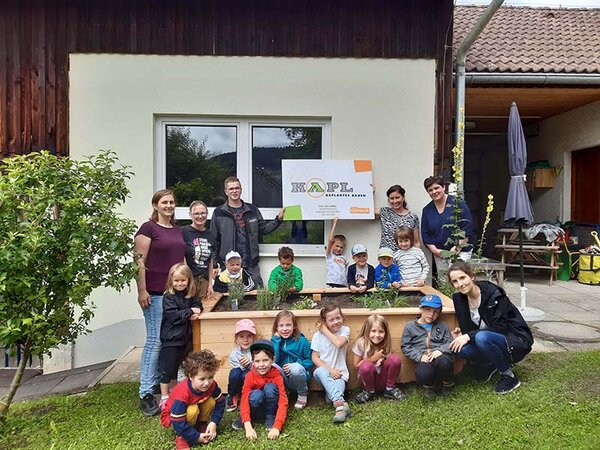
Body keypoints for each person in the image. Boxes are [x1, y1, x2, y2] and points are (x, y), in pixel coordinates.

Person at [134, 189, 186, 416]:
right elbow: (139, 261)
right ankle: (146, 393)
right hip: (154, 293)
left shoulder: (176, 230)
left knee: (168, 341)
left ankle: (157, 383)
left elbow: (181, 261)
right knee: (155, 341)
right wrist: (142, 290)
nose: (169, 205)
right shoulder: (148, 228)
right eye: (164, 202)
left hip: (173, 294)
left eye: (172, 202)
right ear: (155, 205)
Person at [448, 262, 534, 394]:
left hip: (515, 339)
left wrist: (469, 336)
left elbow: (500, 328)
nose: (460, 284)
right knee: (459, 347)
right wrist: (462, 334)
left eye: (462, 278)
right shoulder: (459, 299)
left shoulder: (494, 295)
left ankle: (509, 376)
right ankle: (489, 365)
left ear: (472, 276)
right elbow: (468, 328)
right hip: (488, 339)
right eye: (455, 281)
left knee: (481, 337)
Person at [211, 176, 284, 286]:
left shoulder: (252, 210)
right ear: (226, 191)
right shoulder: (219, 212)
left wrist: (278, 220)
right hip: (229, 264)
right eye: (231, 189)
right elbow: (214, 240)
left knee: (256, 294)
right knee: (230, 298)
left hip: (250, 262)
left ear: (241, 189)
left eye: (237, 188)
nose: (234, 191)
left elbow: (264, 229)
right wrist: (214, 265)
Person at [160, 350, 225, 450]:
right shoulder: (182, 393)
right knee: (192, 410)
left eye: (210, 377)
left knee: (211, 401)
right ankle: (181, 437)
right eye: (202, 379)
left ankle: (202, 425)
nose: (207, 383)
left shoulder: (212, 385)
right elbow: (177, 420)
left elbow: (221, 402)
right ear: (191, 376)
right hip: (173, 416)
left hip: (194, 406)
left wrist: (214, 423)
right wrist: (196, 437)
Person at [158, 264, 202, 410]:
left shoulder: (189, 295)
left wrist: (197, 311)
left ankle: (174, 392)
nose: (180, 283)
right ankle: (164, 397)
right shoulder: (168, 298)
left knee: (178, 367)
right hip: (171, 339)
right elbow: (173, 317)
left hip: (184, 338)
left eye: (183, 280)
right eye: (176, 281)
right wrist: (190, 312)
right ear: (171, 281)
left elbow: (198, 305)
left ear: (188, 281)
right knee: (168, 368)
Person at [232, 339, 288, 441]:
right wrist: (247, 425)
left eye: (265, 360)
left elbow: (283, 401)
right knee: (255, 395)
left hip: (270, 405)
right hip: (256, 404)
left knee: (270, 388)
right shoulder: (249, 376)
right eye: (257, 361)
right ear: (253, 362)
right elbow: (244, 399)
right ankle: (249, 417)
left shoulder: (277, 376)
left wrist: (277, 427)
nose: (261, 365)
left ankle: (270, 416)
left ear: (273, 359)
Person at [401, 295, 454, 399]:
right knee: (423, 373)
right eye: (428, 310)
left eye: (435, 311)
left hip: (439, 356)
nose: (431, 314)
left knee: (444, 362)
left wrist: (440, 350)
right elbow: (406, 346)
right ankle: (429, 387)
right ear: (421, 309)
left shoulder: (442, 325)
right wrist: (419, 357)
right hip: (424, 358)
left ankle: (447, 384)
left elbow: (449, 342)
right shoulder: (410, 326)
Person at [421, 175, 474, 273]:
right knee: (444, 282)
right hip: (440, 253)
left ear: (444, 187)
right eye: (430, 190)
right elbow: (426, 234)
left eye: (436, 188)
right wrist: (436, 251)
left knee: (457, 277)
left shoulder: (458, 204)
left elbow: (467, 228)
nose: (434, 192)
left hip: (460, 251)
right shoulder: (427, 210)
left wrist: (456, 248)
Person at [311, 304, 351, 424]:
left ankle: (337, 402)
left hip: (340, 374)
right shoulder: (317, 336)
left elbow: (338, 343)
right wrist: (330, 370)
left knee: (331, 398)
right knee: (320, 370)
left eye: (338, 318)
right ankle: (340, 406)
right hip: (323, 374)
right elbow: (315, 358)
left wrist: (324, 329)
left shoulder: (345, 330)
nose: (336, 322)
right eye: (331, 320)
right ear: (324, 321)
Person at [351, 314, 406, 403]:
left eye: (381, 331)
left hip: (383, 380)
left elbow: (391, 362)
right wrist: (372, 359)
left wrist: (382, 359)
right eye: (373, 331)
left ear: (386, 332)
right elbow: (356, 366)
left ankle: (390, 389)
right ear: (367, 330)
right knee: (366, 366)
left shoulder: (385, 343)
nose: (377, 335)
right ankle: (369, 392)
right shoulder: (361, 343)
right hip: (367, 381)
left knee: (395, 359)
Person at [271, 310, 313, 410]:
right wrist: (276, 341)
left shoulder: (302, 341)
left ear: (294, 326)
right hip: (283, 378)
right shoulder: (275, 341)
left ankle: (302, 393)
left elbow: (310, 360)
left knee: (295, 368)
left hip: (298, 377)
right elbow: (274, 359)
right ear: (276, 328)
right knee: (271, 365)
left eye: (288, 325)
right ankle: (283, 392)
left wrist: (296, 364)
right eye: (281, 326)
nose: (285, 329)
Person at [183, 200, 216, 302]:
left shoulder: (210, 235)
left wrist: (210, 284)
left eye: (203, 213)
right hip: (187, 280)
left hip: (204, 281)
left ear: (207, 213)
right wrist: (187, 280)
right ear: (190, 215)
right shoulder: (183, 232)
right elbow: (181, 256)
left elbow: (210, 260)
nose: (200, 216)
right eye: (196, 213)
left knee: (202, 311)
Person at [375, 184, 421, 253]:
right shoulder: (385, 212)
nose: (395, 201)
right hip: (386, 258)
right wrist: (370, 193)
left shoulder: (412, 217)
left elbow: (416, 242)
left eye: (397, 197)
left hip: (405, 258)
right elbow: (367, 211)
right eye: (392, 198)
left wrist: (417, 257)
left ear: (403, 198)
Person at [226, 319, 257, 412]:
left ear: (254, 337)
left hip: (250, 383)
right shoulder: (234, 354)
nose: (246, 340)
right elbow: (237, 370)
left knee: (246, 374)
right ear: (236, 338)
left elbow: (260, 367)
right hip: (238, 384)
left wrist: (250, 364)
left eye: (249, 336)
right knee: (235, 373)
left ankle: (245, 397)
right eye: (241, 336)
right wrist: (245, 364)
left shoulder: (256, 351)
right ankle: (232, 395)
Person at [325, 217, 348, 288]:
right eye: (337, 246)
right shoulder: (329, 255)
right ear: (332, 245)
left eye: (341, 247)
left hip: (343, 284)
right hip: (332, 283)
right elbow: (330, 240)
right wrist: (335, 223)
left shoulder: (344, 258)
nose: (338, 249)